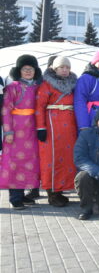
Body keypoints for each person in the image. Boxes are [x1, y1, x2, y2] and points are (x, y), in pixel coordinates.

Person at [0, 55, 42, 209]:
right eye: (25, 69)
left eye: (31, 69)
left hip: (31, 129)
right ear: (19, 71)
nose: (28, 71)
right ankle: (15, 197)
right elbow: (5, 110)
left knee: (29, 162)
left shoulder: (37, 87)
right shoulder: (13, 87)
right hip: (16, 130)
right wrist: (8, 132)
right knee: (15, 163)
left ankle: (23, 194)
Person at [35, 56, 78, 207]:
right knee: (51, 158)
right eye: (61, 67)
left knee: (67, 158)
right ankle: (52, 193)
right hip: (52, 125)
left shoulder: (74, 84)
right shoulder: (46, 85)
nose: (65, 70)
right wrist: (41, 127)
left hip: (70, 125)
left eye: (67, 67)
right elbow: (39, 107)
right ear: (55, 68)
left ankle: (61, 189)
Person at [25, 54, 57, 201]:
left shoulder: (54, 82)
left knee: (42, 157)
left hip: (42, 121)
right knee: (33, 157)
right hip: (27, 122)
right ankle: (34, 187)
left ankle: (48, 186)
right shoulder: (40, 80)